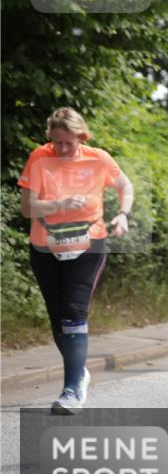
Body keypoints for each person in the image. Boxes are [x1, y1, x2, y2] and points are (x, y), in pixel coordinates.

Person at [19, 107, 134, 414]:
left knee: (73, 310)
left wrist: (122, 214)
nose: (63, 149)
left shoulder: (98, 158)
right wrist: (60, 203)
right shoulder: (39, 158)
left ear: (82, 137)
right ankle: (78, 369)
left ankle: (72, 390)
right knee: (57, 317)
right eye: (57, 142)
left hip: (88, 244)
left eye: (69, 142)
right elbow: (27, 209)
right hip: (45, 247)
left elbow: (125, 186)